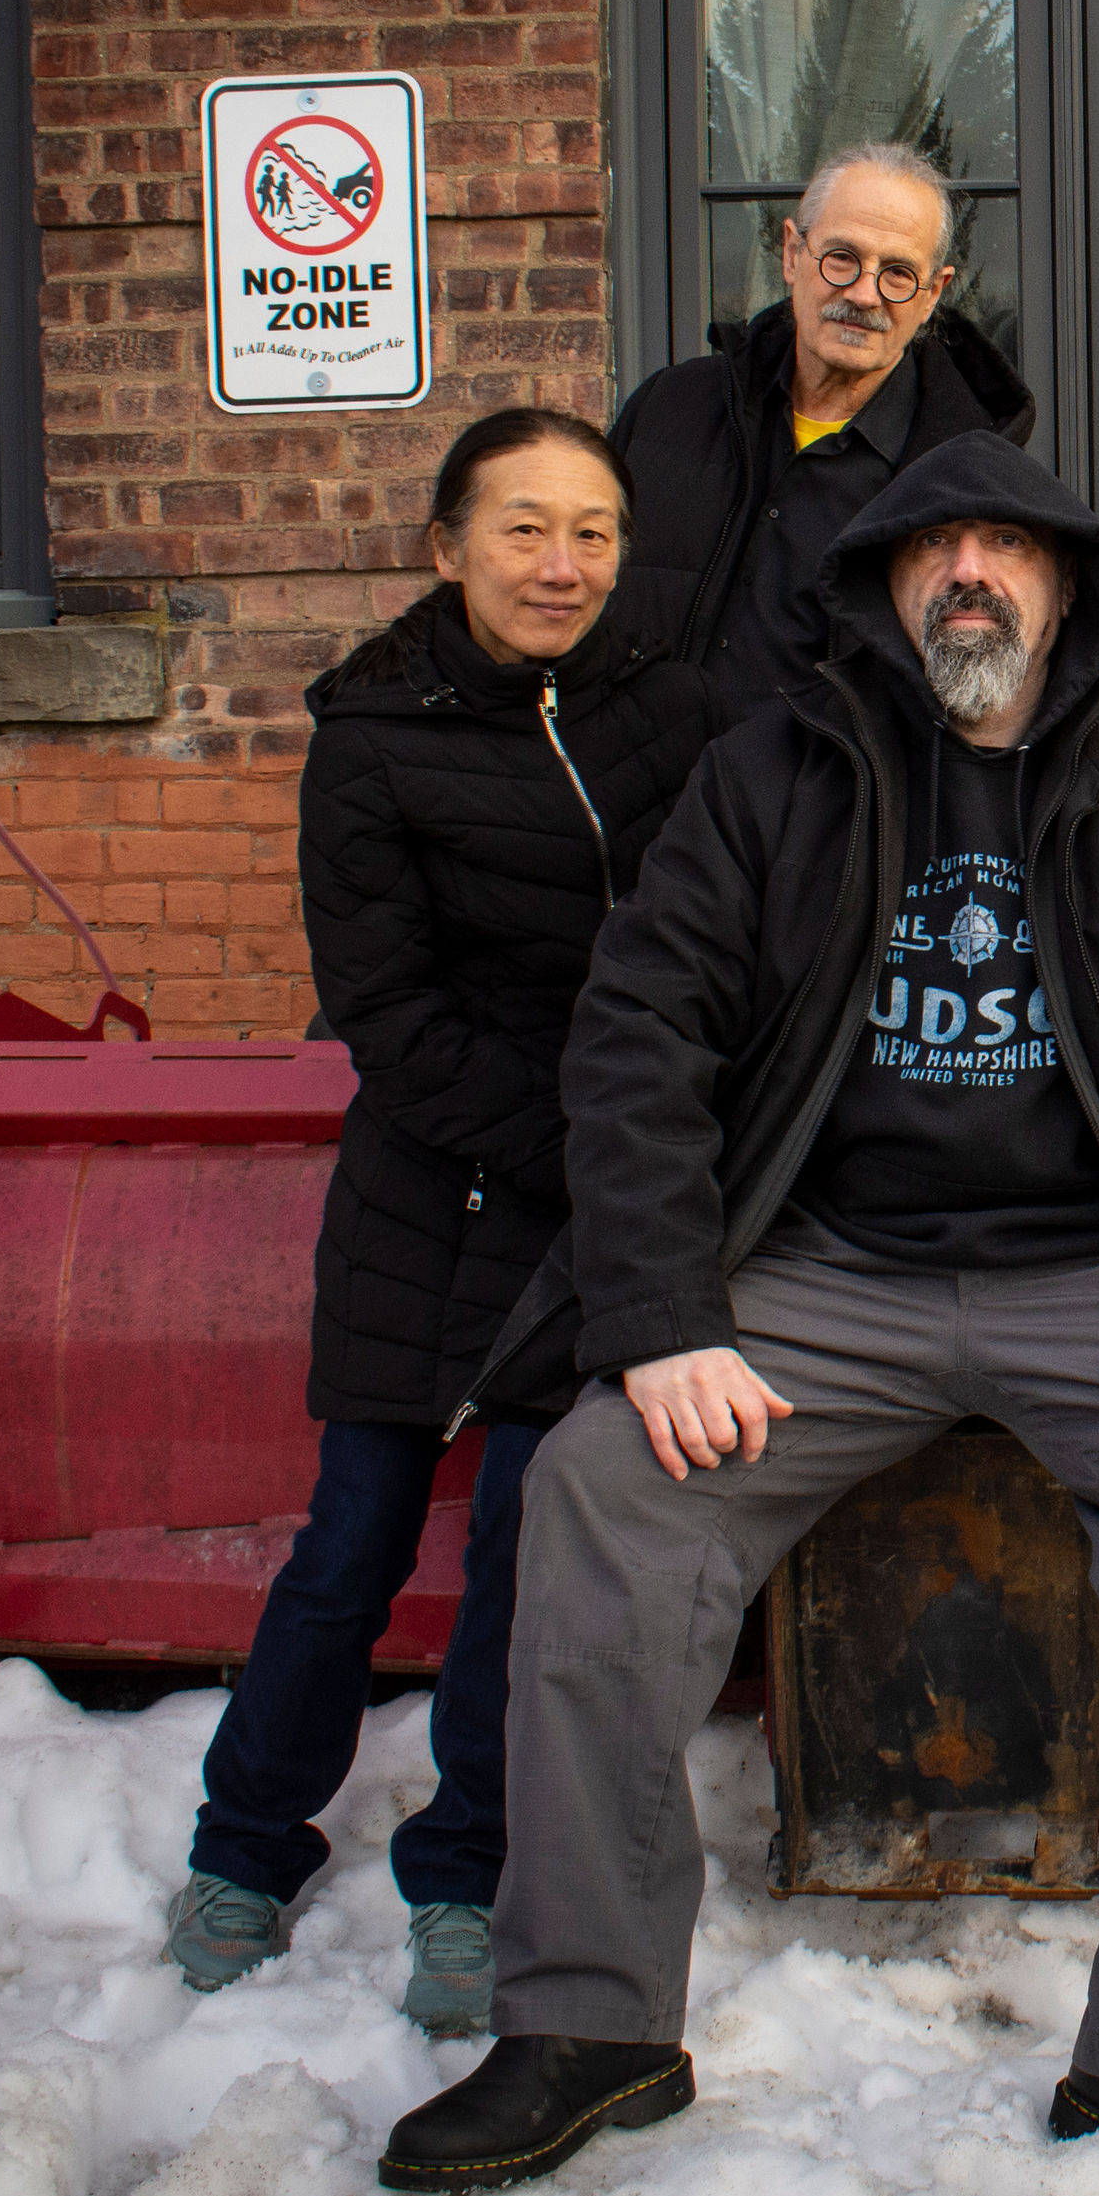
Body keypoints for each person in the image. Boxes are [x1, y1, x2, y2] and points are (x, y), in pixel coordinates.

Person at [377, 430, 1099, 2196]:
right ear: (882, 588)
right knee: (604, 1487)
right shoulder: (771, 780)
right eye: (937, 551)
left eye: (1009, 548)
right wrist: (664, 1311)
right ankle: (592, 2026)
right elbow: (637, 1041)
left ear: (1071, 589)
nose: (972, 576)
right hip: (822, 1271)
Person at [164, 410, 714, 2032]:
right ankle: (244, 1845)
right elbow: (386, 1014)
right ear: (448, 546)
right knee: (353, 1544)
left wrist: (651, 1150)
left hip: (598, 1221)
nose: (562, 564)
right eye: (525, 527)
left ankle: (466, 1873)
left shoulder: (675, 710)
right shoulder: (372, 737)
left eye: (593, 532)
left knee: (529, 1561)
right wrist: (591, 1141)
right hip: (432, 1190)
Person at [608, 138, 1035, 721]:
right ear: (791, 253)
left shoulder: (964, 477)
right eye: (841, 258)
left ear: (933, 295)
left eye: (898, 274)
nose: (863, 294)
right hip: (643, 773)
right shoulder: (668, 407)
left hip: (833, 782)